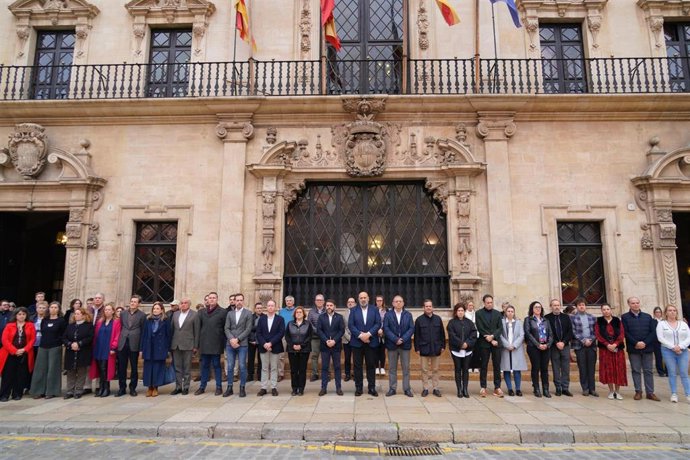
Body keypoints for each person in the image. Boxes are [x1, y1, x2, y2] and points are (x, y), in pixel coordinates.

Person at [621, 296, 660, 401]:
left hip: (647, 347)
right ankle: (638, 391)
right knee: (636, 370)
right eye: (633, 303)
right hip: (633, 348)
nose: (635, 305)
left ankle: (650, 392)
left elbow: (653, 332)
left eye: (637, 303)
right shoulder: (625, 317)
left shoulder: (647, 317)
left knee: (648, 370)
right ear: (629, 304)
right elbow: (625, 332)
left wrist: (645, 342)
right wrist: (636, 343)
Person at [31, 301, 66, 399]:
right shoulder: (45, 320)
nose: (53, 309)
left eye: (55, 307)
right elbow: (42, 332)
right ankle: (38, 390)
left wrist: (58, 342)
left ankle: (51, 391)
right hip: (43, 346)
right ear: (49, 309)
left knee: (52, 369)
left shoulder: (61, 321)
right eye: (51, 307)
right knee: (40, 369)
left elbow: (63, 334)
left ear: (58, 309)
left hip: (55, 347)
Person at [348, 291, 381, 397]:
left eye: (364, 297)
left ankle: (372, 388)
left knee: (371, 365)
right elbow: (351, 325)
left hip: (371, 342)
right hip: (357, 343)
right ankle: (359, 388)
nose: (363, 299)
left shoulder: (375, 309)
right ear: (358, 299)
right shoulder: (353, 310)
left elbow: (378, 323)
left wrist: (368, 334)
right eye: (361, 298)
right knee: (357, 366)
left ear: (368, 298)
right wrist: (361, 336)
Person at [0, 307, 36, 401]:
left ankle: (17, 394)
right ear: (15, 315)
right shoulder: (9, 325)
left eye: (23, 314)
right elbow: (4, 340)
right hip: (10, 353)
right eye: (19, 314)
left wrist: (24, 349)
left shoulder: (30, 325)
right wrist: (14, 350)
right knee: (7, 375)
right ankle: (4, 394)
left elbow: (33, 339)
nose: (21, 316)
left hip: (24, 353)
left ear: (26, 315)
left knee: (20, 374)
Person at [656, 304, 690, 403]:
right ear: (666, 313)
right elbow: (660, 338)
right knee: (672, 372)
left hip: (683, 351)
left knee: (684, 373)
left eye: (674, 310)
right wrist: (673, 347)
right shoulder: (661, 324)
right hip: (668, 351)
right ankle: (674, 394)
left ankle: (688, 394)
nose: (672, 312)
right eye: (670, 310)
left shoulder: (683, 324)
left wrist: (681, 346)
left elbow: (688, 337)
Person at [195, 292, 226, 396]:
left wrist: (223, 343)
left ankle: (219, 387)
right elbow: (198, 328)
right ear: (207, 300)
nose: (212, 299)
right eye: (210, 298)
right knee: (204, 365)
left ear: (217, 299)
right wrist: (197, 344)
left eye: (214, 298)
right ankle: (202, 387)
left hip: (216, 343)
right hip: (204, 343)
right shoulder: (201, 312)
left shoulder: (222, 312)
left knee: (217, 365)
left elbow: (225, 328)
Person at [383, 295, 414, 397]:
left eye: (400, 301)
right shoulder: (388, 315)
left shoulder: (408, 315)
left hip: (405, 345)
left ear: (403, 303)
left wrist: (403, 339)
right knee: (392, 368)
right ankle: (392, 388)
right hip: (392, 345)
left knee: (406, 368)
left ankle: (407, 389)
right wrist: (395, 339)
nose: (398, 303)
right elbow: (386, 328)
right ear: (393, 303)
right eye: (396, 301)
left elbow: (411, 328)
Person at [595, 303, 627, 400]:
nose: (606, 311)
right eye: (604, 309)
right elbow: (598, 334)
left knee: (618, 369)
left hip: (617, 349)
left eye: (607, 309)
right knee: (608, 369)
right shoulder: (599, 321)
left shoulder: (617, 320)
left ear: (611, 310)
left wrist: (615, 344)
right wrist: (607, 344)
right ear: (601, 311)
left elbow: (622, 333)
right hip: (605, 349)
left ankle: (617, 391)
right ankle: (611, 391)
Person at [116, 295, 146, 397]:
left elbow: (143, 331)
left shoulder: (142, 315)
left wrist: (141, 347)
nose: (132, 303)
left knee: (134, 367)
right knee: (121, 367)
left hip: (134, 343)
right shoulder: (123, 313)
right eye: (131, 301)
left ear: (139, 304)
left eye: (135, 302)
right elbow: (120, 326)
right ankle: (122, 388)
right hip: (123, 342)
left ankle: (133, 388)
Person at [223, 293, 253, 398]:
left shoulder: (248, 313)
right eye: (237, 300)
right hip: (230, 344)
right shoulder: (229, 314)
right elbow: (226, 328)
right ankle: (229, 387)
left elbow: (248, 329)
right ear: (235, 301)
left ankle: (242, 387)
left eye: (241, 300)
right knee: (230, 366)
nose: (239, 302)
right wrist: (231, 339)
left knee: (242, 365)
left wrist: (238, 339)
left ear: (243, 301)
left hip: (242, 344)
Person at [414, 299, 446, 397]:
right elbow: (416, 335)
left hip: (436, 348)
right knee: (424, 370)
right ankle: (425, 388)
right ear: (423, 308)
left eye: (430, 306)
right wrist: (417, 348)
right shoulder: (419, 320)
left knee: (435, 369)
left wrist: (443, 346)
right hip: (424, 348)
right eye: (426, 306)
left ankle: (436, 388)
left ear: (432, 307)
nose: (428, 308)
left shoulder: (438, 319)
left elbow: (442, 334)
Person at [89, 303, 120, 398]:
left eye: (109, 310)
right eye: (105, 310)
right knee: (100, 368)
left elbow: (117, 336)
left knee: (105, 368)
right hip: (99, 347)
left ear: (113, 311)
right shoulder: (100, 322)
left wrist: (113, 347)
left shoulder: (116, 322)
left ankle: (106, 388)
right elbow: (95, 335)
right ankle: (101, 388)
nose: (107, 311)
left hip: (108, 348)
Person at [141, 302, 171, 397]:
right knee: (148, 367)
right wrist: (141, 348)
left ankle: (155, 387)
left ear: (162, 310)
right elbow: (144, 334)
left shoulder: (165, 320)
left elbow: (168, 335)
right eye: (154, 308)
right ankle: (149, 387)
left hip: (160, 347)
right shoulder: (148, 320)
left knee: (158, 367)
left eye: (157, 308)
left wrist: (168, 349)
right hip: (149, 346)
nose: (155, 310)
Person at [62, 307, 94, 399]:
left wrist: (79, 343)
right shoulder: (70, 326)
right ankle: (70, 390)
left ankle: (79, 390)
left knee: (81, 371)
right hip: (71, 351)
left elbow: (90, 337)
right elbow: (64, 337)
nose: (76, 315)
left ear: (83, 315)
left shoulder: (89, 326)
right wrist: (70, 344)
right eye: (75, 314)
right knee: (70, 371)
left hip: (83, 351)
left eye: (78, 314)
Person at [475, 294, 503, 397]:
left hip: (496, 343)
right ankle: (483, 387)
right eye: (488, 303)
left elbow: (500, 328)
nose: (490, 304)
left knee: (497, 365)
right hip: (484, 343)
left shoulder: (497, 313)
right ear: (484, 303)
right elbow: (480, 327)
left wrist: (493, 336)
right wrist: (490, 339)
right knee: (484, 365)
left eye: (491, 302)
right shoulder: (478, 313)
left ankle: (497, 387)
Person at [447, 302, 477, 398]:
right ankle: (459, 389)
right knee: (458, 369)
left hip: (467, 350)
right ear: (456, 312)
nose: (460, 312)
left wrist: (467, 343)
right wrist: (461, 343)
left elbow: (473, 334)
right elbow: (452, 335)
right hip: (456, 350)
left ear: (464, 311)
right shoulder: (451, 323)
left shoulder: (469, 323)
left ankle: (465, 389)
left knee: (465, 369)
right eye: (458, 310)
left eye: (462, 310)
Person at [545, 299, 573, 397]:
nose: (556, 307)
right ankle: (558, 387)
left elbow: (570, 331)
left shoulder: (566, 317)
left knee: (566, 367)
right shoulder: (547, 318)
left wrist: (564, 342)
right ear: (551, 306)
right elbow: (548, 332)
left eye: (558, 305)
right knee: (555, 367)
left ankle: (565, 387)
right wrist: (556, 342)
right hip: (554, 346)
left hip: (565, 346)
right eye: (554, 305)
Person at [524, 301, 553, 397]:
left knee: (544, 368)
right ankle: (536, 388)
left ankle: (546, 389)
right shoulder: (528, 320)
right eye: (536, 307)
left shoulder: (546, 320)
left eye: (539, 307)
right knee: (536, 367)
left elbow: (550, 334)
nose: (538, 309)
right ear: (532, 309)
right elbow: (528, 334)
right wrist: (538, 344)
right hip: (534, 347)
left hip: (545, 347)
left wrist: (547, 344)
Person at [170, 298, 198, 395]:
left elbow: (196, 331)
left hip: (188, 344)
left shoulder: (194, 315)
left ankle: (186, 387)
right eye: (182, 303)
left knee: (187, 367)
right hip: (176, 344)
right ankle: (178, 387)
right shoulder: (175, 314)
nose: (183, 304)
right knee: (177, 367)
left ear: (189, 304)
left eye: (185, 303)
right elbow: (172, 329)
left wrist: (196, 346)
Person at [571, 297, 599, 397]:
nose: (581, 307)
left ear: (585, 306)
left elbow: (596, 331)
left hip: (591, 345)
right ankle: (585, 388)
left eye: (583, 305)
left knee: (591, 368)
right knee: (582, 368)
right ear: (576, 307)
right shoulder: (572, 318)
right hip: (580, 346)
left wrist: (590, 340)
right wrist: (583, 340)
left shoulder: (592, 317)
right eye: (579, 305)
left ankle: (592, 389)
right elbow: (573, 332)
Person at [257, 299, 285, 396]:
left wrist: (271, 343)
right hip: (263, 346)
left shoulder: (280, 319)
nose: (270, 307)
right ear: (266, 307)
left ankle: (274, 387)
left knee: (274, 367)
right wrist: (264, 343)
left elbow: (281, 333)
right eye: (269, 305)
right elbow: (258, 333)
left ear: (275, 307)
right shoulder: (262, 319)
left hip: (275, 346)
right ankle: (263, 387)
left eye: (272, 305)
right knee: (264, 368)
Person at [317, 299, 345, 396]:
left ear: (334, 307)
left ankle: (338, 388)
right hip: (325, 346)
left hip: (336, 346)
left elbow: (341, 330)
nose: (329, 307)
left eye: (331, 305)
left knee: (337, 367)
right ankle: (323, 388)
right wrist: (326, 340)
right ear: (325, 307)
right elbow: (319, 330)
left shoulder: (339, 317)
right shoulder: (321, 317)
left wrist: (334, 341)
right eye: (327, 305)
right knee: (325, 367)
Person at [500, 304, 526, 397]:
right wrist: (507, 345)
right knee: (506, 368)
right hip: (505, 348)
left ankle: (518, 389)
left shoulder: (519, 322)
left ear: (514, 313)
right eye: (508, 311)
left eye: (512, 311)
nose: (510, 313)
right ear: (505, 312)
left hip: (516, 348)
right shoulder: (502, 322)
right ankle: (510, 389)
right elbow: (500, 335)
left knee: (516, 369)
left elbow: (521, 335)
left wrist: (514, 345)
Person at [285, 306, 312, 395]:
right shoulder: (290, 324)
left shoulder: (308, 324)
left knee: (302, 370)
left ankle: (301, 389)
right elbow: (287, 336)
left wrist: (301, 346)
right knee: (293, 370)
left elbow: (309, 337)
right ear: (294, 314)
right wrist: (293, 345)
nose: (298, 313)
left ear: (303, 314)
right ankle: (294, 388)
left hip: (304, 350)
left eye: (300, 312)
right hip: (292, 350)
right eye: (297, 312)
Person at [307, 294, 326, 382]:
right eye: (317, 300)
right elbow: (309, 323)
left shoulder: (327, 310)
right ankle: (315, 374)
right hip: (315, 337)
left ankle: (326, 374)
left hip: (325, 337)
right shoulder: (311, 312)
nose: (319, 301)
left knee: (326, 356)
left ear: (323, 301)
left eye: (321, 300)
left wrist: (323, 332)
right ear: (315, 301)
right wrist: (318, 331)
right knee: (314, 356)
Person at [278, 295, 296, 382]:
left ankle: (295, 372)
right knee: (281, 356)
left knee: (294, 355)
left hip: (294, 336)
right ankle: (280, 374)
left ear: (293, 302)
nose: (288, 302)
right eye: (287, 301)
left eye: (290, 301)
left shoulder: (296, 310)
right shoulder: (281, 311)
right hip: (283, 336)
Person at [247, 302, 263, 383]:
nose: (259, 309)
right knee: (250, 359)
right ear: (255, 309)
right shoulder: (250, 317)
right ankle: (250, 375)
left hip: (261, 342)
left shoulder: (265, 317)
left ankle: (260, 375)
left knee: (261, 360)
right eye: (258, 308)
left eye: (260, 308)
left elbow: (265, 329)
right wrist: (251, 339)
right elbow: (248, 329)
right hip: (251, 341)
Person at [464, 300, 481, 373]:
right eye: (469, 305)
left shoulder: (476, 314)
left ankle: (476, 366)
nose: (471, 307)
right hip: (468, 336)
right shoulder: (464, 314)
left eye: (472, 305)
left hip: (476, 334)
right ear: (467, 306)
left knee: (477, 352)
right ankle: (469, 366)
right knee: (469, 352)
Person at [342, 297, 356, 382]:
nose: (350, 303)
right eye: (349, 302)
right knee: (347, 358)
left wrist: (355, 336)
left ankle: (355, 374)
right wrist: (349, 337)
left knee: (356, 358)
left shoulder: (358, 313)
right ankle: (347, 374)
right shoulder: (344, 314)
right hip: (346, 340)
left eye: (352, 302)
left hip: (356, 339)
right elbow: (342, 327)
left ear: (355, 304)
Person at [375, 295, 387, 375]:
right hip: (374, 333)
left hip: (383, 333)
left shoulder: (386, 310)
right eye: (377, 300)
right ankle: (376, 367)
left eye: (380, 300)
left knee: (382, 351)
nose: (379, 302)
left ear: (383, 301)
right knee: (375, 351)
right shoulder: (373, 310)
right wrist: (376, 330)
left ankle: (382, 367)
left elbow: (387, 321)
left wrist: (382, 330)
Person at [652, 306, 667, 377]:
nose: (658, 313)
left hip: (665, 342)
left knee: (666, 357)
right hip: (656, 342)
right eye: (656, 312)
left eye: (659, 312)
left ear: (661, 313)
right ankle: (660, 372)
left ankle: (667, 371)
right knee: (658, 357)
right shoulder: (652, 321)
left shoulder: (664, 321)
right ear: (654, 313)